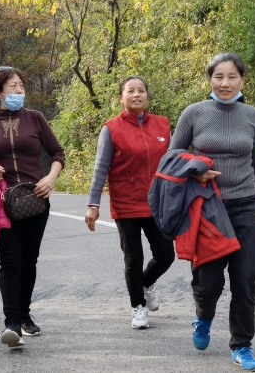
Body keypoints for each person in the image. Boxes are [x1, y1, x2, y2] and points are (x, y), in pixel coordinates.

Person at [169, 53, 255, 372]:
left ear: (242, 80)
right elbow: (172, 155)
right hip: (207, 207)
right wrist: (195, 170)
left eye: (232, 76)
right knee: (208, 283)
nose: (225, 83)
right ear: (210, 80)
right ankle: (203, 316)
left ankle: (242, 345)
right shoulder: (194, 113)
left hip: (245, 204)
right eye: (219, 76)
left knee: (247, 276)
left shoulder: (251, 115)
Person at [0, 66, 65, 348]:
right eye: (13, 86)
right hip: (1, 203)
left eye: (21, 86)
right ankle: (11, 323)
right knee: (10, 261)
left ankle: (24, 313)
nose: (19, 91)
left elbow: (57, 153)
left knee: (29, 259)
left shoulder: (35, 118)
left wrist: (51, 178)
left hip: (36, 200)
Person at [85, 76, 175, 330]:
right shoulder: (111, 128)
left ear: (147, 95)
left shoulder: (162, 125)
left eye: (141, 90)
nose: (137, 95)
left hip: (158, 202)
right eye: (131, 91)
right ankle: (138, 307)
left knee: (166, 255)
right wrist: (93, 204)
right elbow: (100, 169)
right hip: (126, 203)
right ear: (121, 98)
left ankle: (146, 283)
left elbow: (173, 161)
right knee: (133, 258)